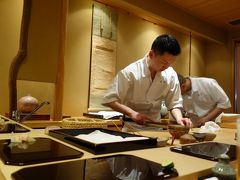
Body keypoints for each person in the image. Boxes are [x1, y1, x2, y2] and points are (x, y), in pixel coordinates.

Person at [102, 34, 192, 127]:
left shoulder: (170, 74)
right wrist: (133, 114)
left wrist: (179, 118)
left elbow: (174, 103)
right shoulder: (130, 72)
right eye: (164, 62)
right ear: (151, 54)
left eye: (170, 63)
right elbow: (109, 99)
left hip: (156, 127)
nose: (166, 67)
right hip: (132, 127)